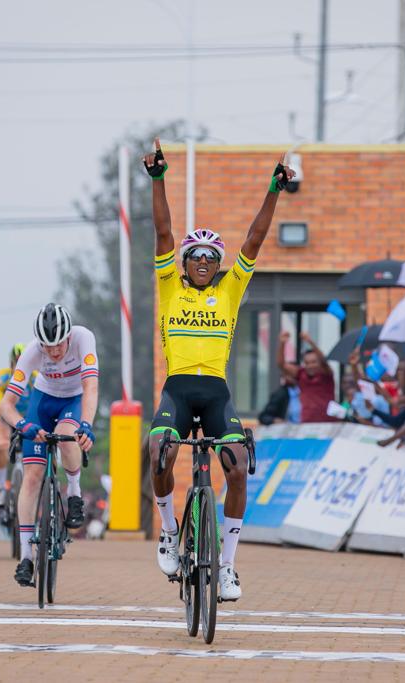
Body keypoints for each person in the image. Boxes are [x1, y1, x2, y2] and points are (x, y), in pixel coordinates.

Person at [144, 138, 294, 602]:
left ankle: (227, 566)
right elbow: (165, 232)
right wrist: (159, 179)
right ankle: (169, 531)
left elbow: (254, 239)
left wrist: (273, 191)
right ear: (185, 263)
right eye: (198, 257)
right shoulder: (171, 285)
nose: (206, 262)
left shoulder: (229, 290)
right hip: (177, 389)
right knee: (160, 450)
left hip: (215, 393)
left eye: (213, 257)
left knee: (236, 470)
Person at [0, 303, 98, 589]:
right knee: (31, 478)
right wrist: (23, 426)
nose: (54, 352)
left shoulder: (83, 338)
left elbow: (90, 387)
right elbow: (6, 405)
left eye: (58, 345)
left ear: (69, 336)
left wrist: (87, 424)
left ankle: (75, 494)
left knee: (68, 436)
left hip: (74, 400)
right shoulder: (32, 352)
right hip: (42, 401)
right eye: (47, 346)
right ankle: (26, 556)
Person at [0, 342, 30, 508]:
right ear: (11, 364)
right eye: (16, 364)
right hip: (7, 419)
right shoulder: (2, 378)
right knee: (1, 445)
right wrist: (0, 439)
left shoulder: (35, 377)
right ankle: (0, 487)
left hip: (28, 419)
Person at [278, 330, 336, 423]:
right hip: (307, 421)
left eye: (314, 362)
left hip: (328, 421)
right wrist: (282, 343)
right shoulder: (301, 373)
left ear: (319, 363)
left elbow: (324, 361)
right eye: (307, 363)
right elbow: (281, 365)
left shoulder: (326, 374)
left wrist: (310, 341)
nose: (310, 366)